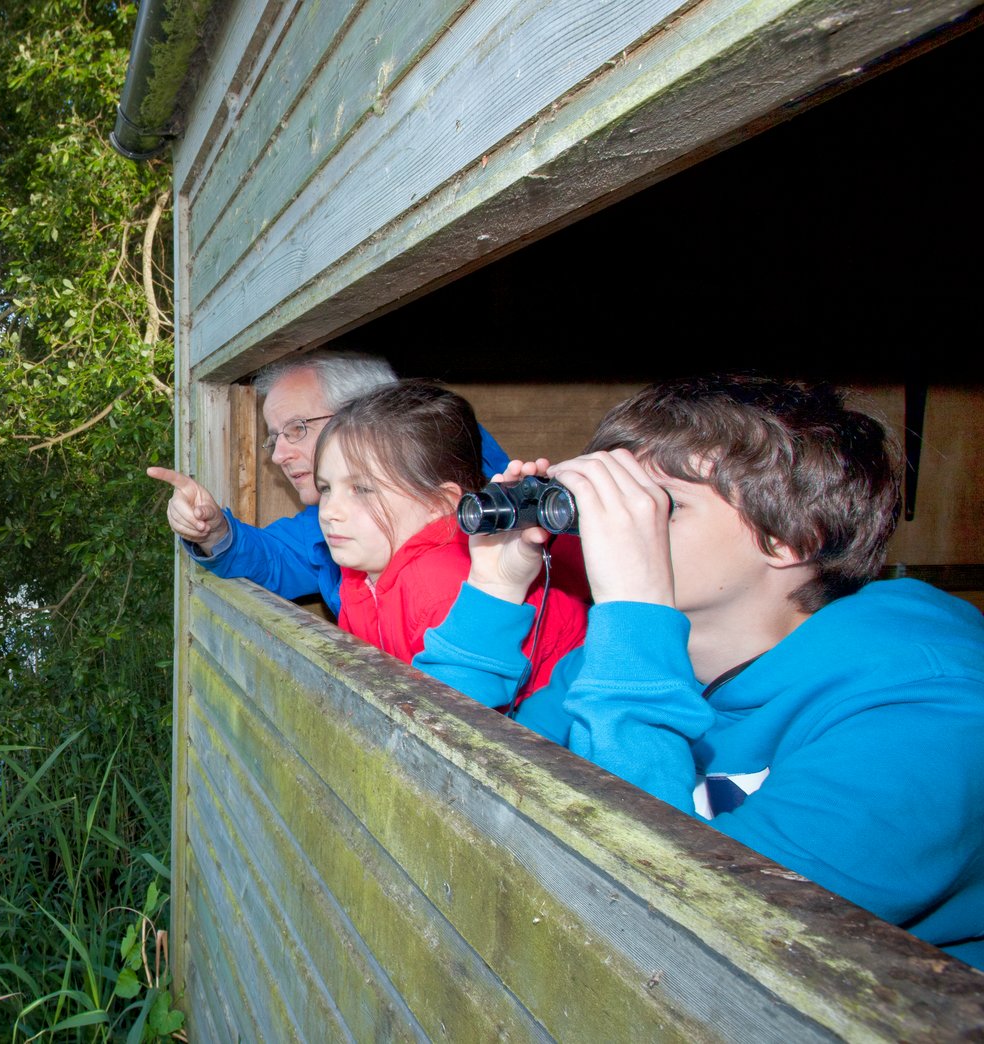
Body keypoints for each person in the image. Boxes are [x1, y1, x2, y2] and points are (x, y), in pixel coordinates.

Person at [414, 375, 984, 965]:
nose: (614, 530)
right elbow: (423, 781)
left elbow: (679, 940)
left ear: (791, 536)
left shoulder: (929, 714)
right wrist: (496, 585)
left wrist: (634, 611)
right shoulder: (622, 659)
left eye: (661, 506)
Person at [147, 350, 509, 615]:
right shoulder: (328, 520)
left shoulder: (493, 533)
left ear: (368, 413)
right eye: (275, 437)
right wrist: (212, 531)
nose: (277, 456)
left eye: (297, 429)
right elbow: (274, 560)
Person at [313, 382, 585, 689]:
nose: (329, 511)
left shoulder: (441, 586)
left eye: (361, 489)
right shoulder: (360, 572)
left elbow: (462, 711)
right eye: (326, 488)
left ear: (439, 504)